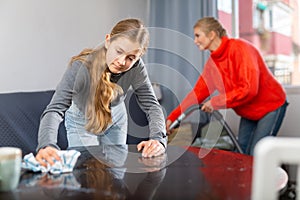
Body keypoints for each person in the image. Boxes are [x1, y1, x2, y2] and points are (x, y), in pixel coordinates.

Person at [36, 18, 167, 166]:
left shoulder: (136, 68)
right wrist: (46, 145)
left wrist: (158, 140)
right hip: (82, 118)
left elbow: (151, 106)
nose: (122, 61)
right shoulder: (81, 67)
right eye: (119, 51)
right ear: (108, 41)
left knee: (116, 171)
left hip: (116, 115)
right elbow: (55, 109)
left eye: (131, 58)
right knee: (86, 171)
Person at [166, 17, 288, 155]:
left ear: (211, 34)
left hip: (270, 106)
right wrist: (172, 118)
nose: (195, 41)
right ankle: (244, 177)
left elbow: (249, 89)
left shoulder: (241, 49)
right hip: (249, 111)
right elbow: (196, 94)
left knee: (258, 153)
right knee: (240, 151)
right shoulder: (213, 64)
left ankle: (268, 176)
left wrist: (215, 102)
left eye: (198, 35)